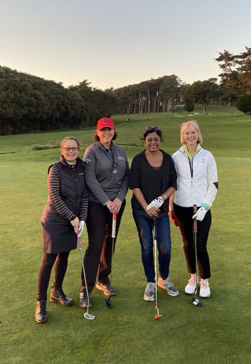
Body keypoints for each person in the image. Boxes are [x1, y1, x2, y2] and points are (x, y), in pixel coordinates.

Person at [35, 137, 88, 323]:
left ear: (79, 149)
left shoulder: (83, 168)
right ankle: (40, 303)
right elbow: (55, 198)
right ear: (62, 150)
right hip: (54, 221)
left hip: (72, 221)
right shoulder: (55, 169)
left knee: (64, 256)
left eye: (74, 148)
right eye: (68, 148)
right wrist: (73, 218)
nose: (71, 151)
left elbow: (85, 196)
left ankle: (56, 291)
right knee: (49, 259)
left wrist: (82, 218)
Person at [80, 117, 129, 308]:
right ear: (98, 132)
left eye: (109, 130)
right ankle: (86, 287)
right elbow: (90, 179)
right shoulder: (91, 151)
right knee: (96, 244)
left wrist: (118, 199)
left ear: (114, 131)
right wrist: (107, 201)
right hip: (97, 204)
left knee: (111, 240)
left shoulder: (121, 151)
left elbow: (126, 177)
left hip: (117, 204)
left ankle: (103, 278)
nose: (106, 133)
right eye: (103, 130)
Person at [130, 126, 179, 302]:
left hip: (162, 211)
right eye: (149, 139)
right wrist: (147, 207)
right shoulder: (138, 160)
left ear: (160, 141)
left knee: (165, 247)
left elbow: (173, 184)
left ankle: (163, 278)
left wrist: (161, 199)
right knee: (147, 247)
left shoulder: (167, 159)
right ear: (144, 141)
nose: (153, 142)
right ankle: (150, 281)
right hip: (141, 211)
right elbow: (135, 186)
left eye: (156, 139)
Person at [170, 120, 218, 298]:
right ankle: (192, 277)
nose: (190, 136)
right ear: (182, 136)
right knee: (188, 244)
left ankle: (204, 279)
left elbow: (213, 183)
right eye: (186, 133)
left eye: (193, 132)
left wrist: (206, 206)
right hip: (182, 206)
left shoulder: (207, 156)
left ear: (198, 135)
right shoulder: (176, 156)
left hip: (202, 207)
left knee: (201, 245)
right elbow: (173, 184)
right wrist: (171, 208)